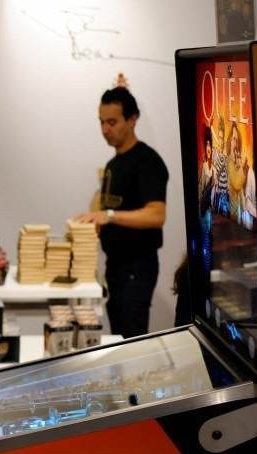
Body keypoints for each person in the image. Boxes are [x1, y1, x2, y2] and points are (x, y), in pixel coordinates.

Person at [73, 86, 168, 338]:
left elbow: (157, 215)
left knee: (132, 340)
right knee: (118, 339)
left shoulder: (148, 161)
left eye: (112, 122)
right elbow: (108, 213)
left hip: (137, 268)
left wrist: (110, 216)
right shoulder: (113, 165)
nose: (105, 129)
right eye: (102, 122)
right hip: (116, 268)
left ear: (132, 119)